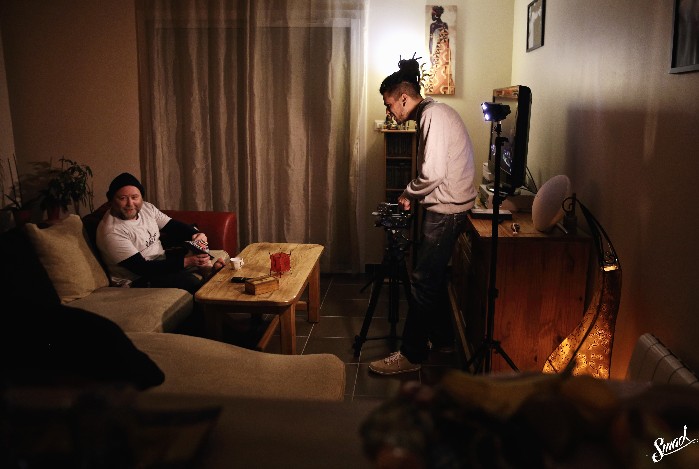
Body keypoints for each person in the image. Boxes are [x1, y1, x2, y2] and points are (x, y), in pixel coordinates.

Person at [369, 57, 477, 375]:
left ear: (404, 97)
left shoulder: (432, 115)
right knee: (433, 277)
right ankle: (443, 339)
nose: (389, 112)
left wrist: (408, 192)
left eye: (389, 105)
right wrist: (414, 194)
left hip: (446, 211)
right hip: (450, 207)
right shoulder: (433, 113)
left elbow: (433, 173)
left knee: (422, 281)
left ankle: (411, 354)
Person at [96, 172, 225, 294]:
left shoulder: (147, 208)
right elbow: (142, 268)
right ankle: (210, 287)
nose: (130, 204)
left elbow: (173, 226)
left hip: (160, 259)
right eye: (122, 198)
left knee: (194, 243)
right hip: (138, 279)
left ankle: (208, 271)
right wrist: (188, 261)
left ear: (141, 197)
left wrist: (197, 235)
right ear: (111, 200)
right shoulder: (112, 231)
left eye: (135, 197)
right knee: (189, 281)